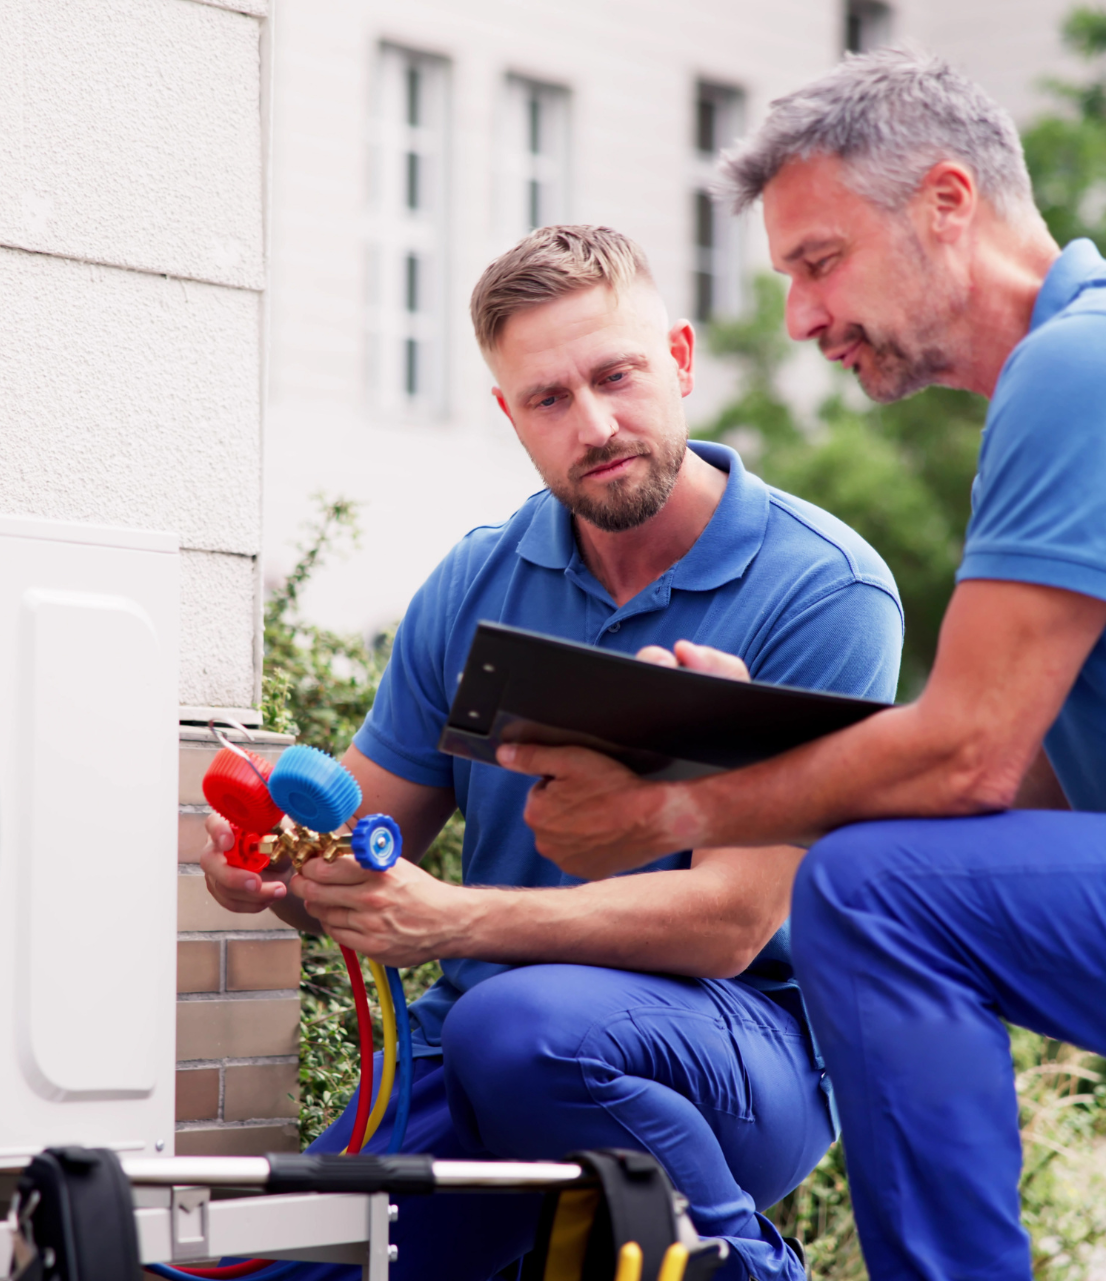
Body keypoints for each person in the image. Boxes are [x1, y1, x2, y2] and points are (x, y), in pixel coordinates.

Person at [499, 49, 1106, 1281]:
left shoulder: (1095, 363)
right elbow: (1036, 778)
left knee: (874, 896)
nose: (801, 318)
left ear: (948, 203)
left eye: (819, 262)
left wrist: (671, 808)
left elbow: (971, 762)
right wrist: (759, 746)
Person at [202, 224, 903, 1280]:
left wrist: (455, 919)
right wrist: (282, 871)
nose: (596, 423)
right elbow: (355, 849)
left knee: (521, 1024)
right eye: (549, 399)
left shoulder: (822, 592)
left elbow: (730, 923)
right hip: (474, 1046)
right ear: (509, 416)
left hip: (743, 1049)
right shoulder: (476, 584)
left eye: (617, 376)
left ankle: (748, 1269)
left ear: (678, 358)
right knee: (272, 1266)